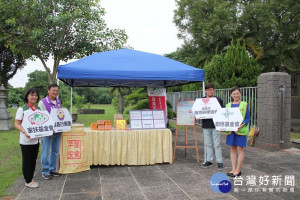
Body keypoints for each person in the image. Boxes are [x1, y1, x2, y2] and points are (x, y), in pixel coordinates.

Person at [15, 88, 40, 188]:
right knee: (27, 160)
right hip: (25, 140)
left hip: (35, 140)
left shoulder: (38, 109)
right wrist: (25, 132)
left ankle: (31, 178)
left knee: (33, 160)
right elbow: (17, 124)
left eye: (36, 95)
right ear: (27, 96)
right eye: (32, 95)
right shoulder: (22, 109)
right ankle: (28, 180)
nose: (34, 97)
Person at [39, 84, 62, 179]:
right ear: (48, 91)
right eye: (53, 90)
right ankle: (45, 171)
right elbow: (43, 117)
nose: (55, 92)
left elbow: (60, 115)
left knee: (55, 151)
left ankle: (52, 169)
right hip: (47, 131)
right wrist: (51, 128)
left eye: (57, 90)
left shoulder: (58, 101)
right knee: (46, 151)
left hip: (58, 131)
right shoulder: (43, 102)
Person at [226, 87, 250, 177]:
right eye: (234, 94)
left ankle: (238, 170)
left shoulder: (245, 104)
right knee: (232, 149)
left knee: (240, 150)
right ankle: (233, 168)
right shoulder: (228, 105)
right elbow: (225, 118)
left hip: (240, 130)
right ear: (231, 95)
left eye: (237, 93)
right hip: (231, 130)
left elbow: (247, 118)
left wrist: (242, 125)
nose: (236, 95)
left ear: (240, 94)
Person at [201, 83, 225, 170]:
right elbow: (198, 111)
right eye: (207, 90)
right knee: (208, 144)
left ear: (214, 90)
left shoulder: (218, 100)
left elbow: (222, 112)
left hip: (216, 125)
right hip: (206, 124)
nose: (209, 91)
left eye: (211, 89)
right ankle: (209, 161)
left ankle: (220, 162)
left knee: (217, 144)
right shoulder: (202, 100)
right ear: (205, 91)